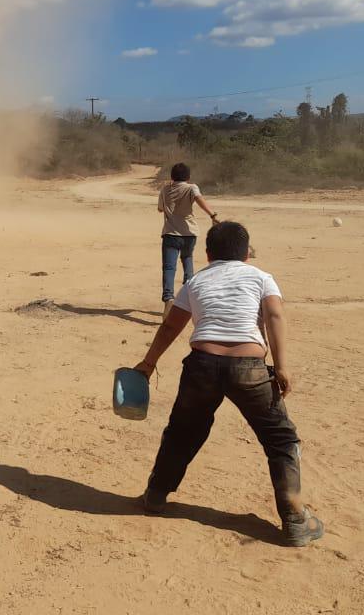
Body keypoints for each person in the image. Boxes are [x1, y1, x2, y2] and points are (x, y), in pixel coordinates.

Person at [132, 221, 324, 547]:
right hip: (249, 368)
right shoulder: (261, 277)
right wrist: (281, 366)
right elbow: (275, 316)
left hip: (202, 366)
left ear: (207, 254)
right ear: (247, 253)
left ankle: (155, 496)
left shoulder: (196, 281)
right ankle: (294, 520)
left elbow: (170, 328)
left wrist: (148, 364)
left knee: (182, 432)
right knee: (280, 439)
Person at [158, 163, 218, 316]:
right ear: (188, 177)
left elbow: (160, 209)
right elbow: (199, 200)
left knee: (169, 268)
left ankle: (169, 299)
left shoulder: (165, 189)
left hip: (170, 233)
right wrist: (212, 215)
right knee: (187, 261)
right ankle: (189, 300)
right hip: (189, 233)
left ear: (172, 176)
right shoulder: (192, 188)